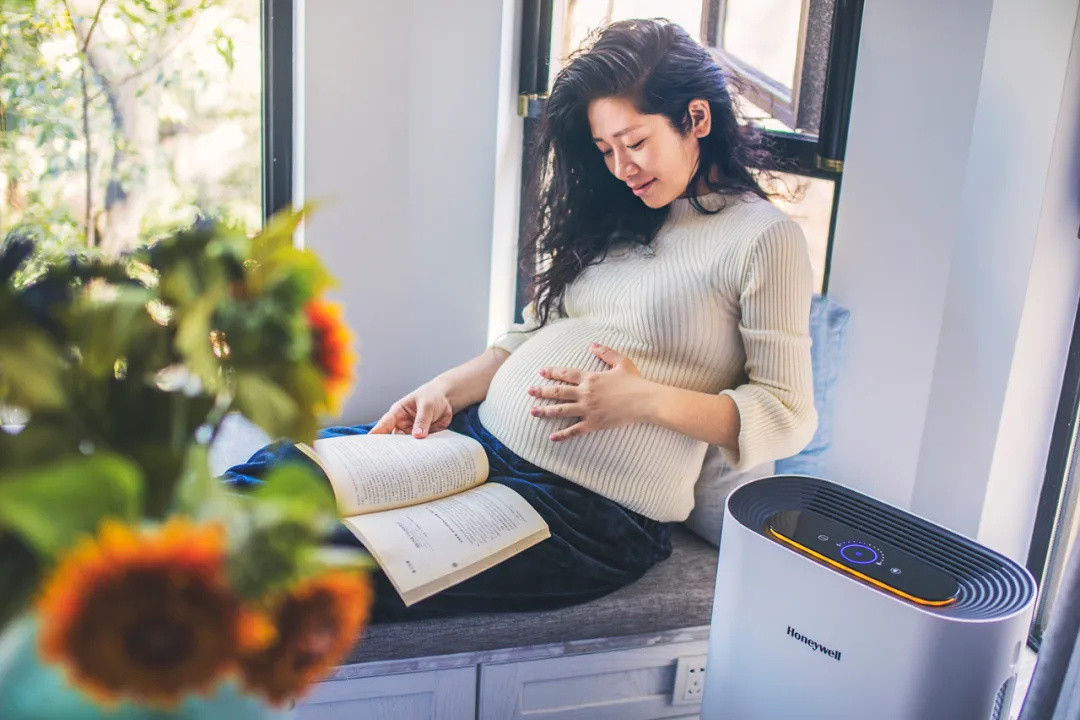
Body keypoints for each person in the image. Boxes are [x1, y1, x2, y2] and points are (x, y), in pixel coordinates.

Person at [225, 18, 817, 622]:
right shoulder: (623, 210)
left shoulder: (763, 240)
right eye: (604, 150)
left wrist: (643, 400)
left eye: (634, 143)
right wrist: (442, 391)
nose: (620, 168)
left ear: (697, 119)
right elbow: (531, 331)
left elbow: (788, 414)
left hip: (588, 514)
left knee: (305, 558)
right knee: (277, 471)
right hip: (477, 446)